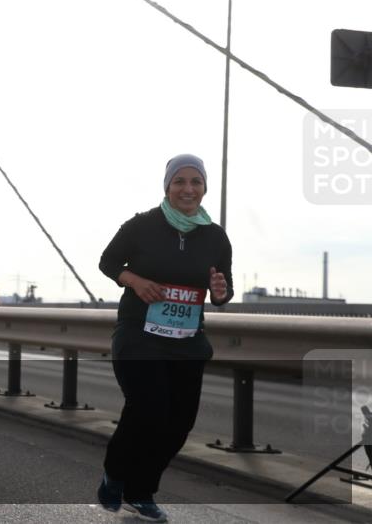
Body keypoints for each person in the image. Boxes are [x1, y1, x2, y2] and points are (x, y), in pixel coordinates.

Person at [96, 154, 232, 522]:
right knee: (149, 409)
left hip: (187, 341)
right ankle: (116, 475)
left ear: (204, 188)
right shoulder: (142, 225)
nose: (188, 189)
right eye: (180, 181)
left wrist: (220, 291)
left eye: (196, 182)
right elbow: (108, 262)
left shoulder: (216, 237)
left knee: (179, 422)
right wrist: (136, 282)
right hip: (139, 335)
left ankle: (141, 490)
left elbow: (223, 289)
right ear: (167, 186)